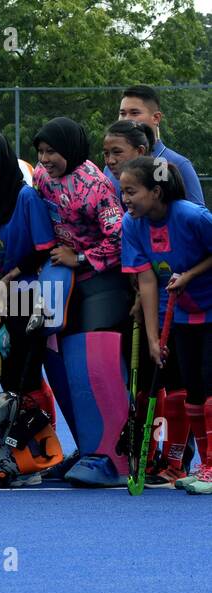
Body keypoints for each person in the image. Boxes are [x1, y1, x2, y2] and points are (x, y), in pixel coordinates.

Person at [33, 117, 130, 487]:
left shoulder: (97, 185)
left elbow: (119, 238)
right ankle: (88, 447)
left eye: (52, 152)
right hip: (61, 280)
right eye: (41, 152)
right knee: (60, 364)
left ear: (70, 149)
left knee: (93, 364)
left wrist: (83, 258)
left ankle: (113, 456)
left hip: (100, 279)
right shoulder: (42, 178)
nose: (45, 159)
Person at [0, 131, 60, 483]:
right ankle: (8, 455)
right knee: (3, 381)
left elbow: (43, 248)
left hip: (26, 295)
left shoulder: (26, 198)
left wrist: (10, 277)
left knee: (26, 377)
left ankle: (36, 457)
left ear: (2, 164)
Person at [120, 156, 212, 493]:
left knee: (209, 388)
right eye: (122, 192)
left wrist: (189, 275)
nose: (125, 199)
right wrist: (154, 339)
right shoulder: (132, 224)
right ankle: (205, 467)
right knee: (192, 392)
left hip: (210, 309)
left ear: (156, 192)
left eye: (131, 191)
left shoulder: (191, 215)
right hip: (182, 314)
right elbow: (146, 282)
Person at [118, 85, 204, 206]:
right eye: (122, 113)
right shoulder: (112, 167)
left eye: (134, 113)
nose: (126, 119)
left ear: (156, 118)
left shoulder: (178, 164)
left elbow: (197, 219)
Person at [101, 120, 155, 198]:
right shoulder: (107, 173)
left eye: (117, 152)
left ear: (140, 151)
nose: (110, 161)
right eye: (106, 153)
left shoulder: (159, 181)